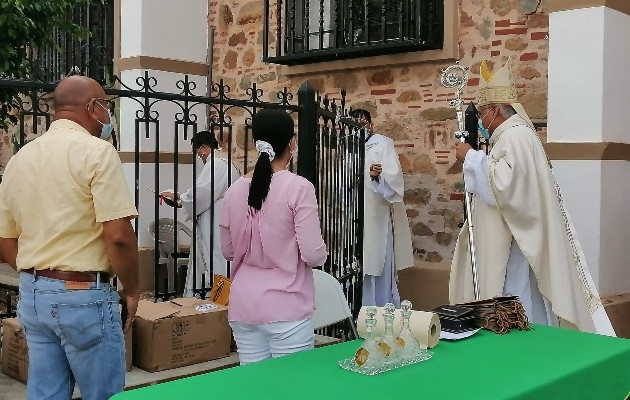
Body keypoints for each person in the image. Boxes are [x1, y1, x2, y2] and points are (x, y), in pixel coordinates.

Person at [450, 58, 615, 335]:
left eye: (482, 114)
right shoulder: (510, 136)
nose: (480, 121)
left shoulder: (516, 137)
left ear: (495, 111)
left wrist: (472, 158)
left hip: (516, 243)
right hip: (512, 237)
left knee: (518, 295)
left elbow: (509, 188)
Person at [0, 76, 140, 399]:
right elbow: (119, 235)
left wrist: (40, 273)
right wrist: (132, 290)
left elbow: (5, 240)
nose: (108, 115)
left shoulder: (20, 159)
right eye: (107, 106)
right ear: (92, 108)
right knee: (103, 394)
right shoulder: (98, 153)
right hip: (83, 294)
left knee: (46, 393)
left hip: (34, 296)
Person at [219, 109, 327, 365]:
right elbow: (313, 255)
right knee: (293, 388)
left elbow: (228, 250)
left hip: (243, 306)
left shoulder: (234, 191)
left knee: (255, 388)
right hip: (286, 307)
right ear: (292, 143)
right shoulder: (299, 187)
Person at [349, 109, 414, 308]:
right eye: (355, 124)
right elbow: (341, 180)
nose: (360, 127)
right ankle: (357, 310)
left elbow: (394, 179)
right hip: (354, 215)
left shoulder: (382, 144)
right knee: (356, 262)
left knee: (376, 262)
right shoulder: (348, 146)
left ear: (371, 125)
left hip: (376, 215)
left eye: (363, 123)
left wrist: (375, 177)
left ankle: (380, 309)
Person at [161, 131, 239, 297]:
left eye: (198, 152)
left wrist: (180, 197)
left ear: (203, 148)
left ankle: (215, 297)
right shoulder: (227, 164)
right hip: (224, 216)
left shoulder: (216, 164)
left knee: (215, 256)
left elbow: (203, 193)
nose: (199, 157)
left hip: (216, 219)